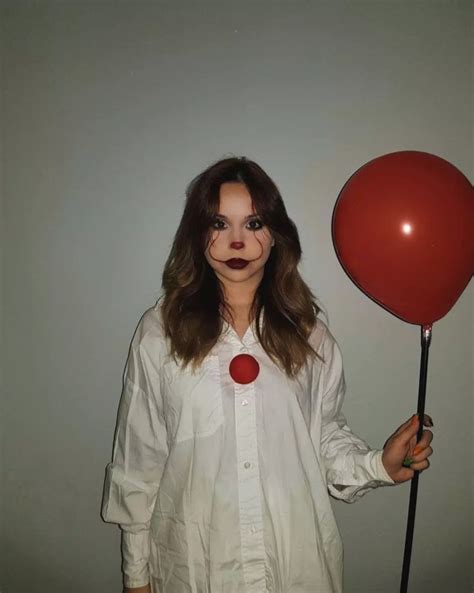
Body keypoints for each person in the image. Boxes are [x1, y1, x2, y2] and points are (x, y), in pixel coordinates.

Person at [101, 156, 434, 593]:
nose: (236, 241)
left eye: (254, 223)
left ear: (276, 236)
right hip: (195, 568)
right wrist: (136, 577)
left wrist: (379, 465)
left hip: (295, 566)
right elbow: (138, 463)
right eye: (219, 224)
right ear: (197, 235)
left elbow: (323, 437)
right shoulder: (159, 332)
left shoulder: (310, 334)